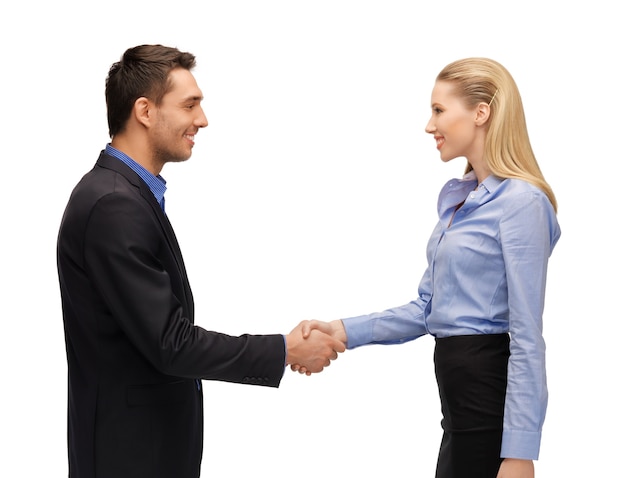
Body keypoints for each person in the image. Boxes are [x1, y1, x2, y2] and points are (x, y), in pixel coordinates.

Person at [56, 44, 345, 478]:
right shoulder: (114, 204)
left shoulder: (127, 195)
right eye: (190, 105)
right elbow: (171, 343)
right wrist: (283, 349)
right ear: (145, 111)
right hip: (130, 455)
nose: (202, 120)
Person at [294, 57, 560, 478]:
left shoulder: (521, 204)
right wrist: (342, 330)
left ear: (481, 112)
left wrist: (520, 452)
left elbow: (528, 335)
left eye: (439, 110)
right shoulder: (462, 201)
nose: (429, 125)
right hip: (457, 413)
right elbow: (428, 308)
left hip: (486, 409)